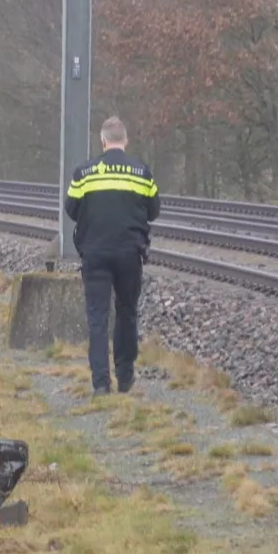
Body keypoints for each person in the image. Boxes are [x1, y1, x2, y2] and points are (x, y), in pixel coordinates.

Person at [65, 116, 161, 395]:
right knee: (127, 312)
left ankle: (100, 383)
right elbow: (154, 211)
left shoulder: (84, 173)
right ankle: (125, 376)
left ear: (103, 141)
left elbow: (71, 209)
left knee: (97, 318)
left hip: (94, 253)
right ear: (125, 140)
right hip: (130, 253)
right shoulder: (142, 172)